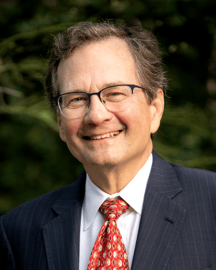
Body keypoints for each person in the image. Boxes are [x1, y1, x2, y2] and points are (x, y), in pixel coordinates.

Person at [1, 20, 216, 270]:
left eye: (115, 93)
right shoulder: (17, 232)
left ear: (155, 108)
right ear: (60, 122)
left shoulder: (211, 204)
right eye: (77, 99)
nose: (96, 115)